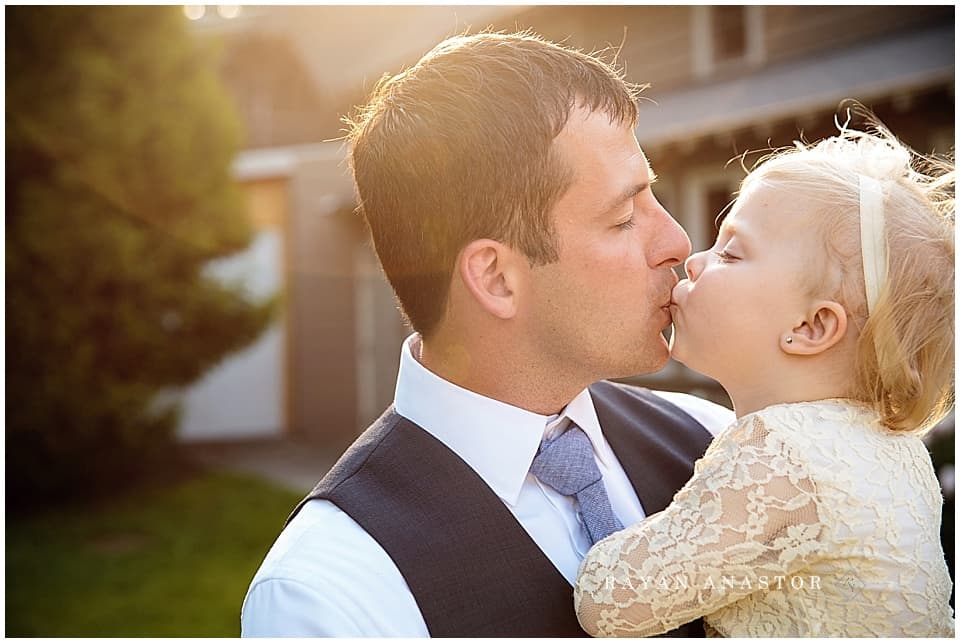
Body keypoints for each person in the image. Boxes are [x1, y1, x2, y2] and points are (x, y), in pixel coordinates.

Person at [240, 31, 734, 637]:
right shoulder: (334, 593)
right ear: (496, 277)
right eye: (624, 217)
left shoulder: (715, 441)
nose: (678, 242)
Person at [574, 119, 956, 637]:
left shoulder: (778, 455)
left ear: (810, 326)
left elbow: (611, 605)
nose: (694, 261)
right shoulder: (896, 448)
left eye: (732, 252)